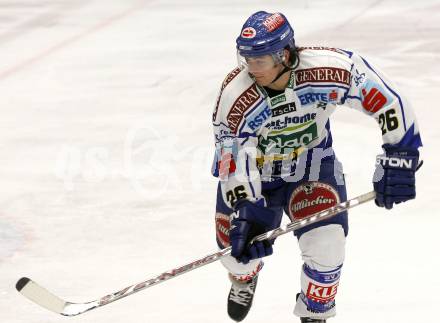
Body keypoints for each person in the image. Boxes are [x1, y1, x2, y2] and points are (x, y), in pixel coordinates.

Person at [211, 11, 422, 323]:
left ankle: (314, 311)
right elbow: (230, 158)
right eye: (246, 60)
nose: (251, 69)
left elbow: (389, 101)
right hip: (258, 175)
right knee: (236, 256)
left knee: (328, 247)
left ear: (284, 55)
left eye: (259, 61)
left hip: (312, 166)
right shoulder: (235, 96)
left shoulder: (330, 69)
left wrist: (401, 154)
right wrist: (247, 205)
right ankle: (244, 279)